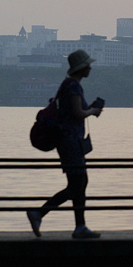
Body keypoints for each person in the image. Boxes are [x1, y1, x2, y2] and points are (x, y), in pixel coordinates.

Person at [27, 49, 104, 239]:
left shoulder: (69, 85)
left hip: (70, 141)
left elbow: (75, 110)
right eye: (88, 65)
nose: (91, 68)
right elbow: (78, 114)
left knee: (79, 183)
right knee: (78, 184)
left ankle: (80, 226)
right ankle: (40, 213)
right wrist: (92, 112)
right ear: (82, 68)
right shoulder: (73, 86)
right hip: (70, 141)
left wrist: (91, 107)